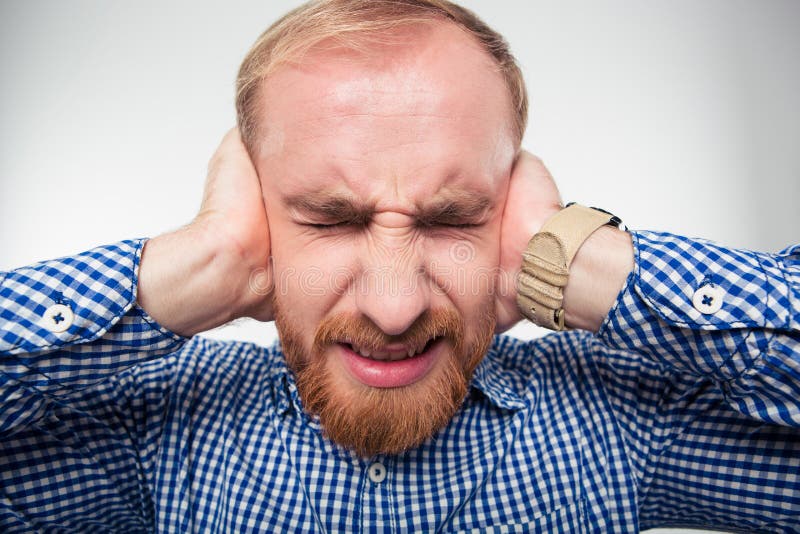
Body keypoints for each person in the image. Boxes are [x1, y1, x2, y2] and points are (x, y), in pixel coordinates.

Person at [1, 0, 798, 532]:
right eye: (329, 217)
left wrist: (573, 261)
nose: (392, 310)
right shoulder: (152, 429)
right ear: (257, 213)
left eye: (454, 217)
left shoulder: (628, 422)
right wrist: (205, 261)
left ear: (514, 211)